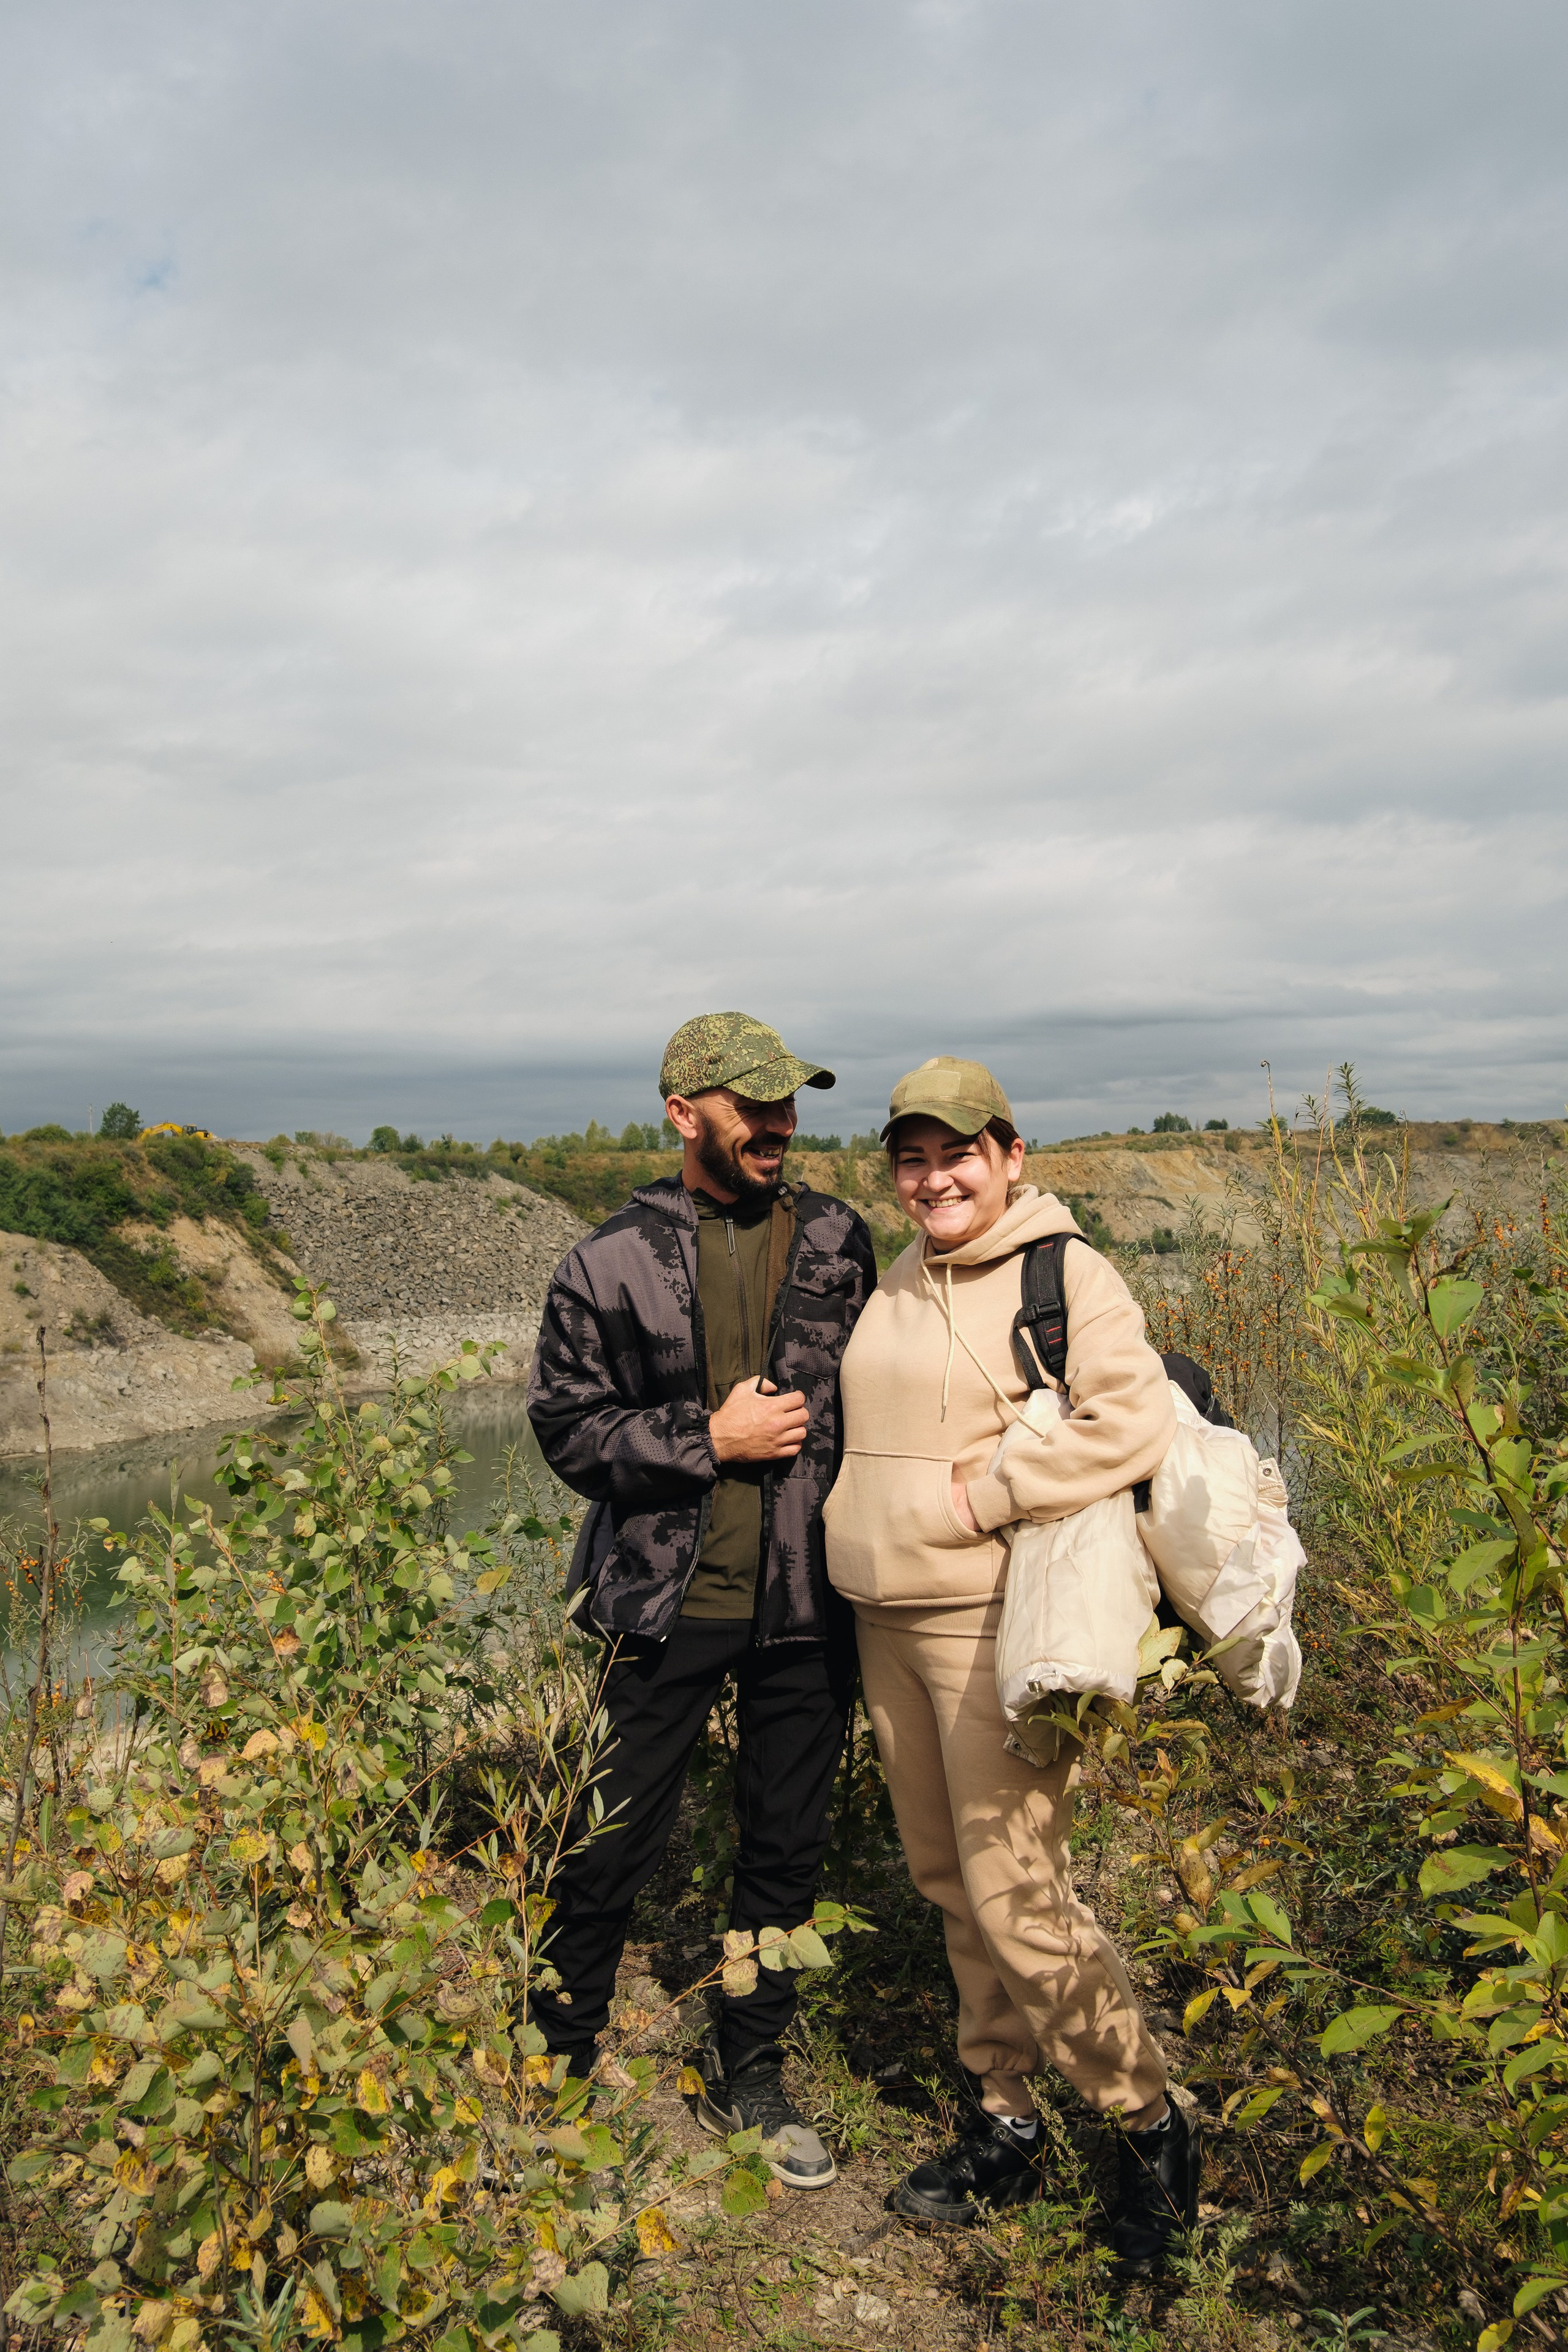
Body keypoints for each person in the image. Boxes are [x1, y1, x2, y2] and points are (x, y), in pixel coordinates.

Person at [823, 1056, 1199, 2269]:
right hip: (885, 1625)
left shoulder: (1064, 1270)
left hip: (985, 1626)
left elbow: (1127, 1418)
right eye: (911, 1158)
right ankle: (1004, 2114)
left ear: (1008, 1155)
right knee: (944, 1880)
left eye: (957, 1153)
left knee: (1016, 1894)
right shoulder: (902, 1272)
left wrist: (983, 1493)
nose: (933, 1177)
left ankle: (1147, 2127)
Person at [527, 1012, 877, 2190]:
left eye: (788, 1103)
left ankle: (751, 2072)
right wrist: (706, 1436)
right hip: (661, 1600)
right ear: (685, 1113)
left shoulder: (838, 1238)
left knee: (785, 1849)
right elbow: (568, 1432)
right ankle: (555, 2072)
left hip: (808, 1600)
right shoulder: (605, 1262)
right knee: (608, 1840)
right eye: (753, 1104)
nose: (780, 1124)